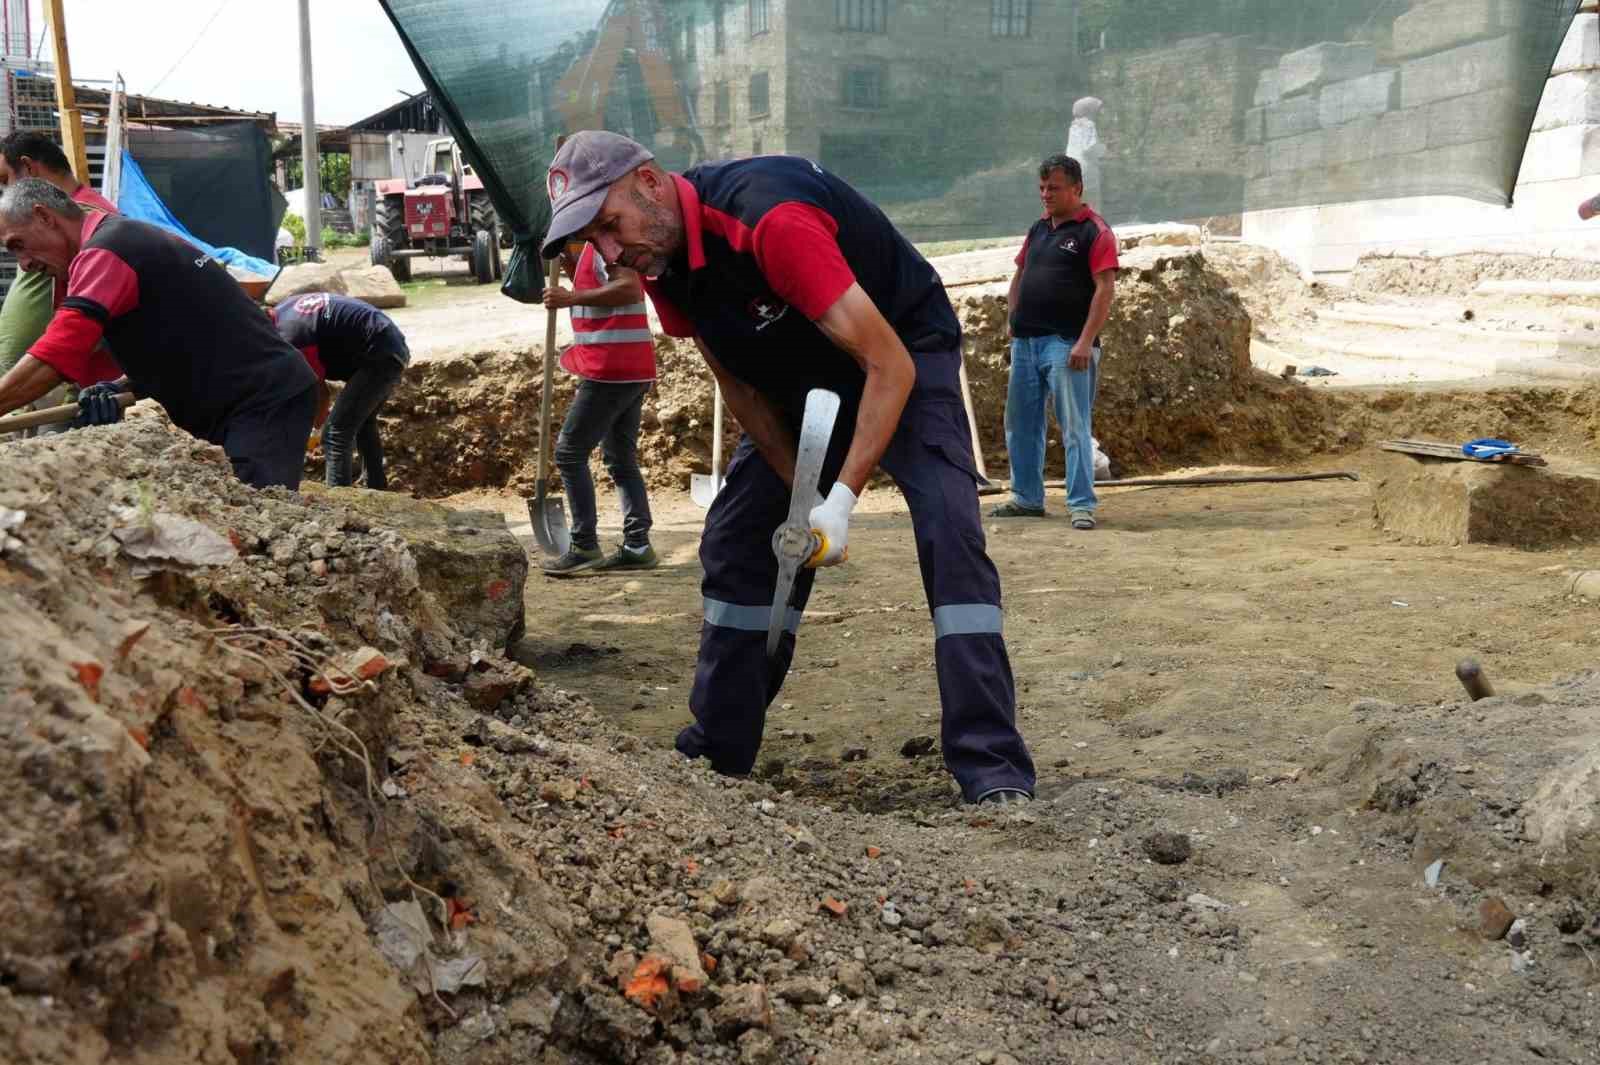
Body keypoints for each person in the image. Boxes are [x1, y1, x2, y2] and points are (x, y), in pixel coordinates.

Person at [540, 130, 1036, 805]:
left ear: (650, 184)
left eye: (608, 224)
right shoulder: (662, 262)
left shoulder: (768, 220)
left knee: (950, 531)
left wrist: (841, 500)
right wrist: (797, 493)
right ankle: (719, 748)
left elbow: (888, 365)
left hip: (900, 349)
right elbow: (741, 388)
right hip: (797, 374)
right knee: (737, 539)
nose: (609, 252)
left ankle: (992, 765)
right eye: (591, 241)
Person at [0, 178, 317, 489]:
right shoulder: (120, 239)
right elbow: (188, 335)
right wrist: (120, 386)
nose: (24, 264)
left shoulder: (106, 252)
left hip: (261, 400)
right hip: (244, 398)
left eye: (18, 244)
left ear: (45, 217)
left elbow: (56, 354)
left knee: (250, 519)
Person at [990, 153, 1117, 529]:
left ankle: (1081, 505)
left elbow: (1105, 290)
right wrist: (1013, 318)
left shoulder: (1095, 231)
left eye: (1054, 188)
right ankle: (1027, 498)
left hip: (1068, 346)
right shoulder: (1039, 228)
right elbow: (1020, 274)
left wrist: (1084, 342)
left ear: (1076, 188)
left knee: (1075, 427)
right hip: (1027, 344)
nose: (1046, 194)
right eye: (1042, 187)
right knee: (1021, 424)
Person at [539, 239, 659, 576]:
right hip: (628, 365)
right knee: (620, 457)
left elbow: (629, 289)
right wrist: (564, 262)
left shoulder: (608, 243)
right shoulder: (592, 249)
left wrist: (571, 297)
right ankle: (637, 545)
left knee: (569, 452)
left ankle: (584, 546)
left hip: (610, 367)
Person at [0, 131, 119, 433]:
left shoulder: (98, 233)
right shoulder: (52, 232)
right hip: (38, 386)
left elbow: (77, 336)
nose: (25, 264)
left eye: (4, 181)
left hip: (65, 386)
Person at [272, 292, 409, 489]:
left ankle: (338, 503)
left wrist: (314, 431)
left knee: (335, 433)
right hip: (387, 342)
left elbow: (320, 393)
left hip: (380, 352)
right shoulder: (283, 310)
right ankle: (377, 488)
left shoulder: (293, 336)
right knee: (362, 422)